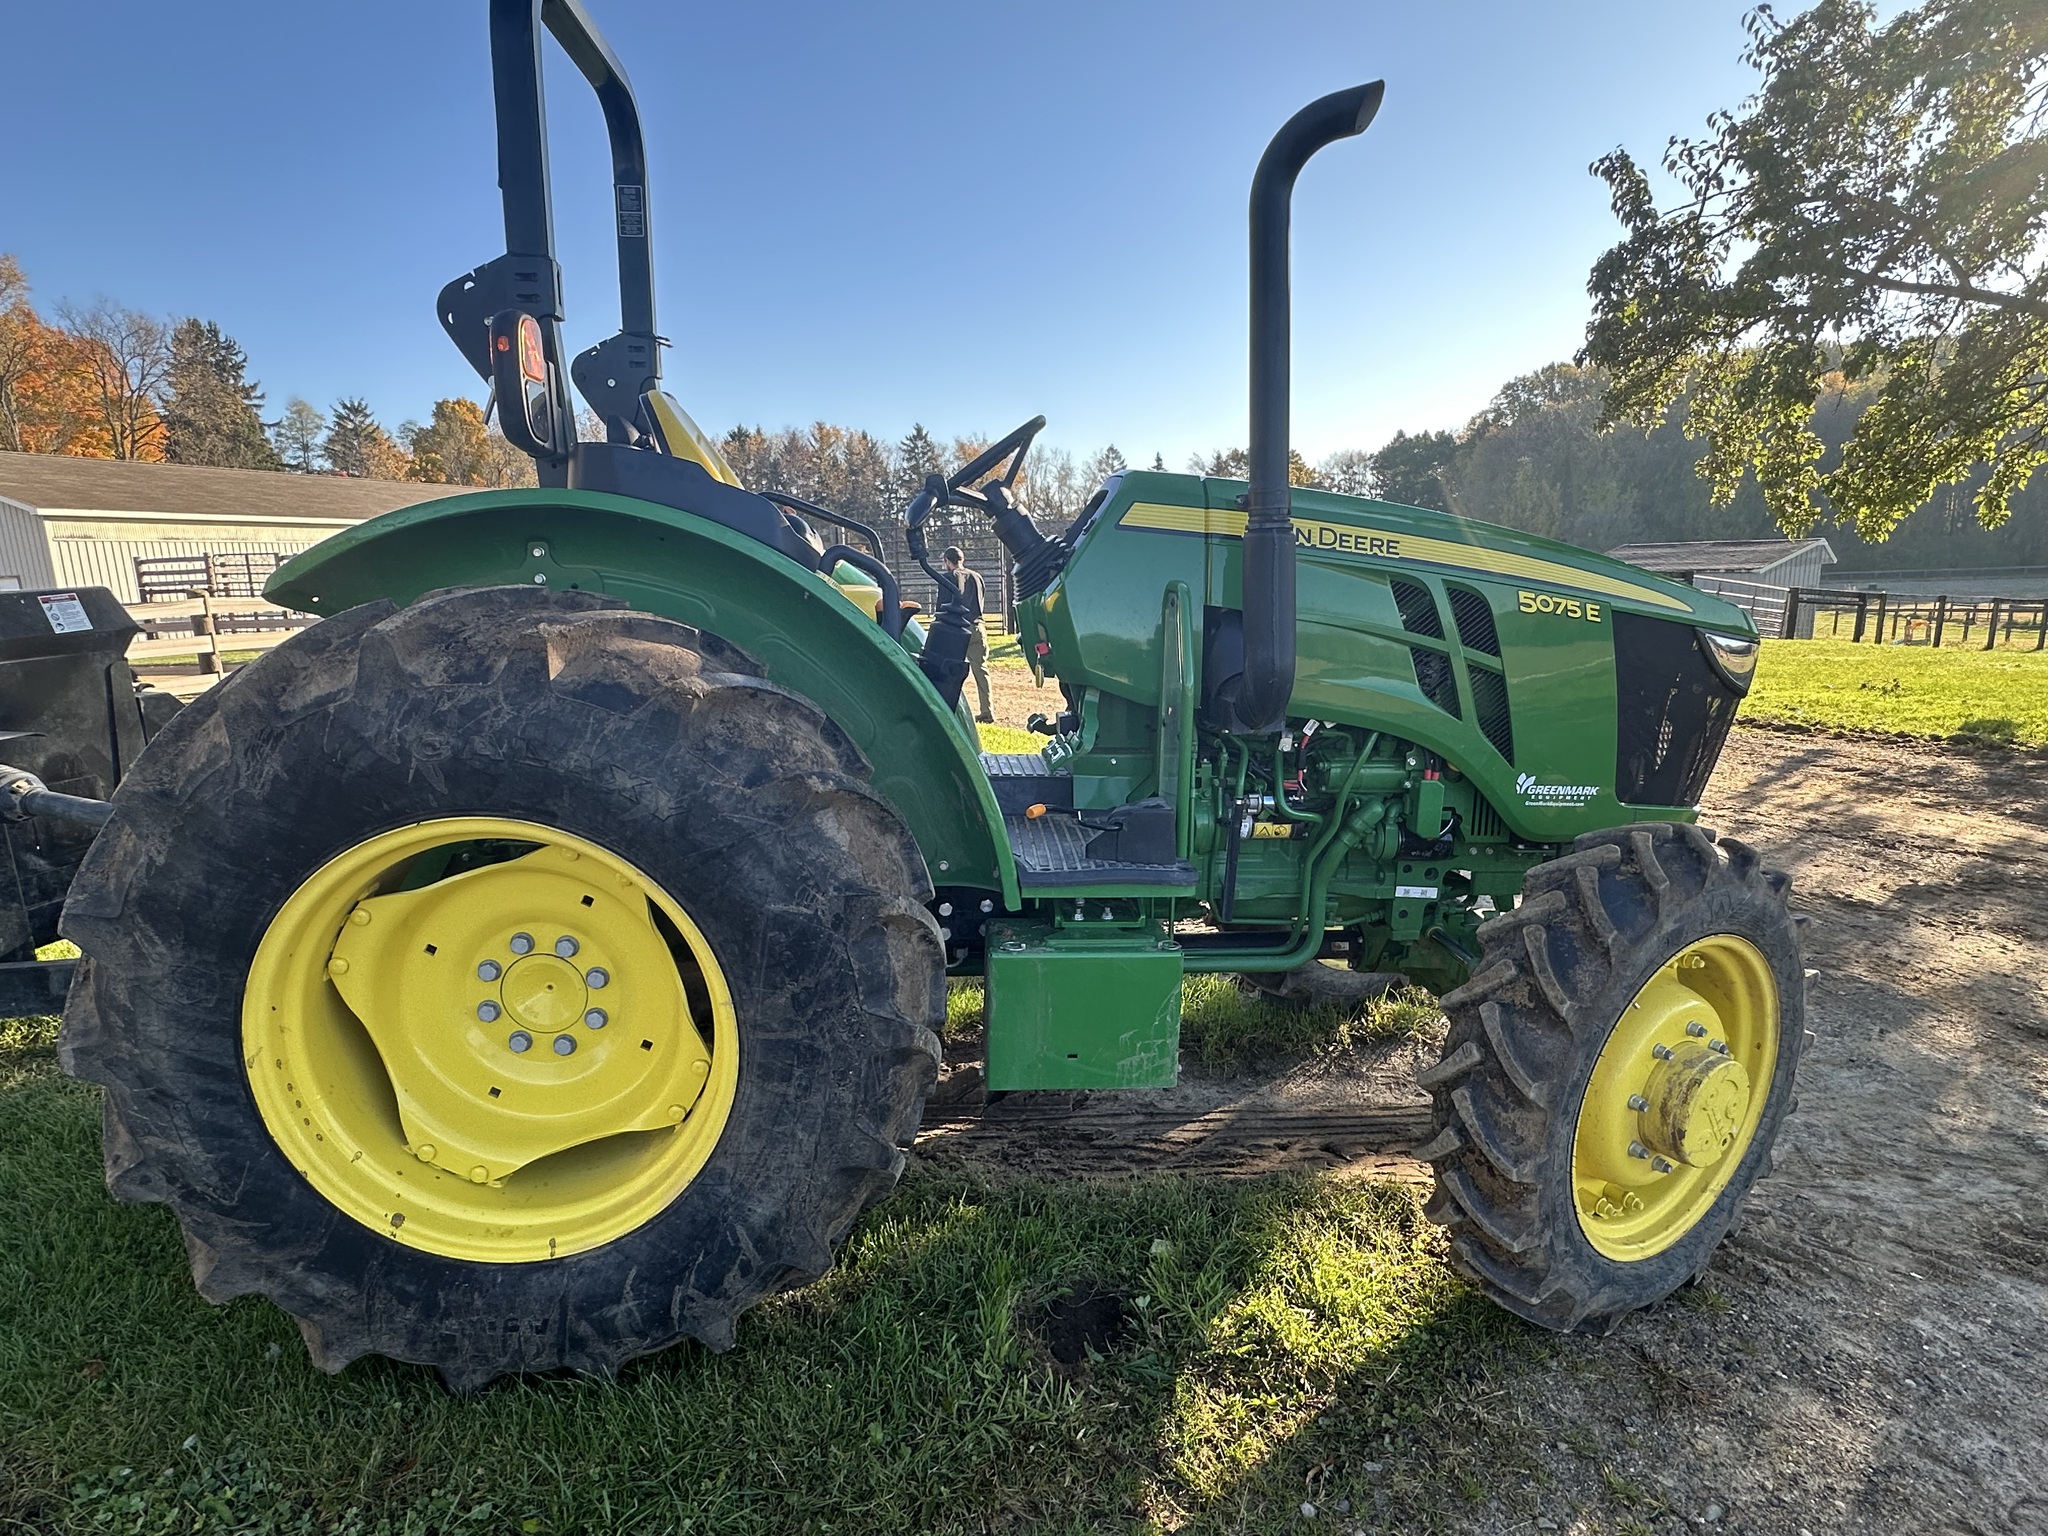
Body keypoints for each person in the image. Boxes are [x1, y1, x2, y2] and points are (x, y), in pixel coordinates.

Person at [942, 546, 994, 723]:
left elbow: (942, 606)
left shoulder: (948, 577)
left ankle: (949, 708)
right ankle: (987, 710)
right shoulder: (977, 577)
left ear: (948, 562)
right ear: (962, 559)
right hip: (977, 626)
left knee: (949, 670)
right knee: (981, 669)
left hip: (957, 629)